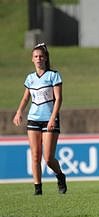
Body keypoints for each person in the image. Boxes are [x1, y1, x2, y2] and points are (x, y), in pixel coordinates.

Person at [12, 43, 67, 195]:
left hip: (49, 119)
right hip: (33, 119)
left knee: (48, 158)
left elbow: (59, 99)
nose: (38, 59)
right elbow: (25, 98)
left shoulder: (53, 75)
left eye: (41, 56)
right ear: (32, 59)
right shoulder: (30, 78)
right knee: (35, 155)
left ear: (46, 58)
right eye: (36, 56)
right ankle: (38, 189)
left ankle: (60, 176)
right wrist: (19, 112)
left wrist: (52, 118)